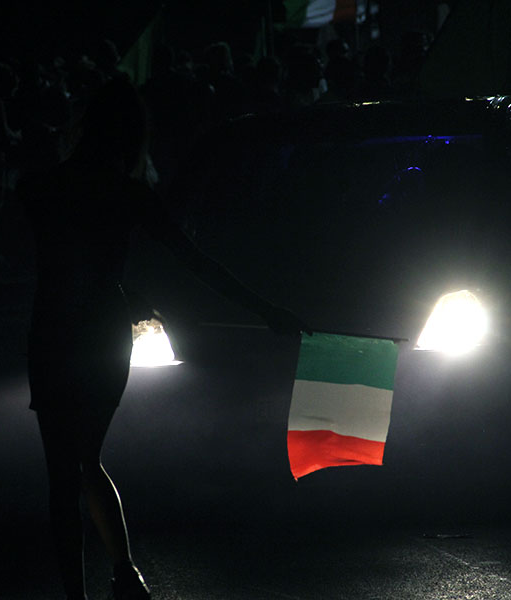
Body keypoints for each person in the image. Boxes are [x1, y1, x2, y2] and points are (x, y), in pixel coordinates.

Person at [20, 77, 306, 600]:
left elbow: (34, 256)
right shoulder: (129, 194)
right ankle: (125, 573)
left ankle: (89, 590)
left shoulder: (41, 187)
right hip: (103, 332)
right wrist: (266, 310)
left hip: (55, 329)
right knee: (86, 458)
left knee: (64, 472)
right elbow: (198, 264)